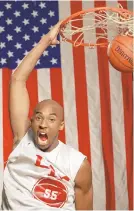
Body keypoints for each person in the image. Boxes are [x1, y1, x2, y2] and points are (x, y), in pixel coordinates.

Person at [2, 21, 93, 210]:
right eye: (39, 117)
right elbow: (18, 80)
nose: (43, 124)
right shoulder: (22, 139)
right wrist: (45, 41)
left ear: (61, 125)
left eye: (52, 119)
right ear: (32, 122)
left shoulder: (77, 164)